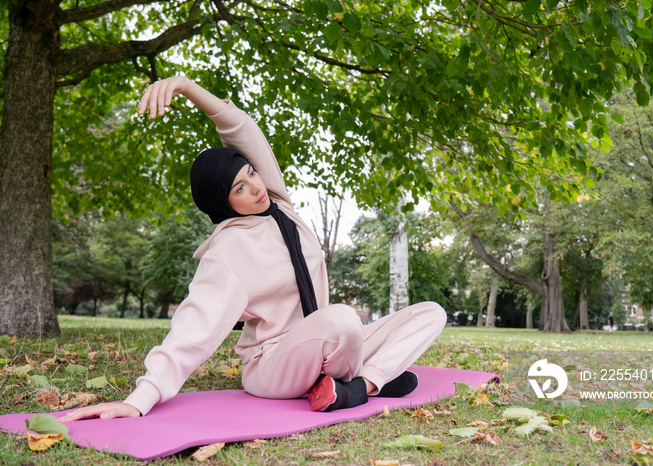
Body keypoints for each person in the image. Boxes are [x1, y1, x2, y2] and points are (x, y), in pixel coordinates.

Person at [59, 76, 446, 422]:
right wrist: (141, 398)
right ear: (221, 203)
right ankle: (367, 379)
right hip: (273, 365)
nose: (256, 187)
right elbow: (193, 329)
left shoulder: (280, 206)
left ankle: (362, 386)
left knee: (430, 313)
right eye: (239, 188)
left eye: (252, 174)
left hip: (328, 347)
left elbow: (243, 131)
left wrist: (186, 86)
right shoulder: (228, 250)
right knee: (343, 320)